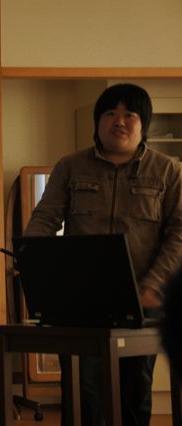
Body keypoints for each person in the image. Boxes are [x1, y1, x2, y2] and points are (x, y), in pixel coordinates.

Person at [24, 83, 182, 426]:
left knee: (135, 394)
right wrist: (34, 263)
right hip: (81, 304)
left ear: (144, 124)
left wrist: (153, 285)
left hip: (143, 302)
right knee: (83, 397)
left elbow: (179, 234)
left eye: (130, 114)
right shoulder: (70, 166)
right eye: (110, 113)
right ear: (97, 122)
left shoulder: (169, 170)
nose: (119, 121)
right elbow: (43, 221)